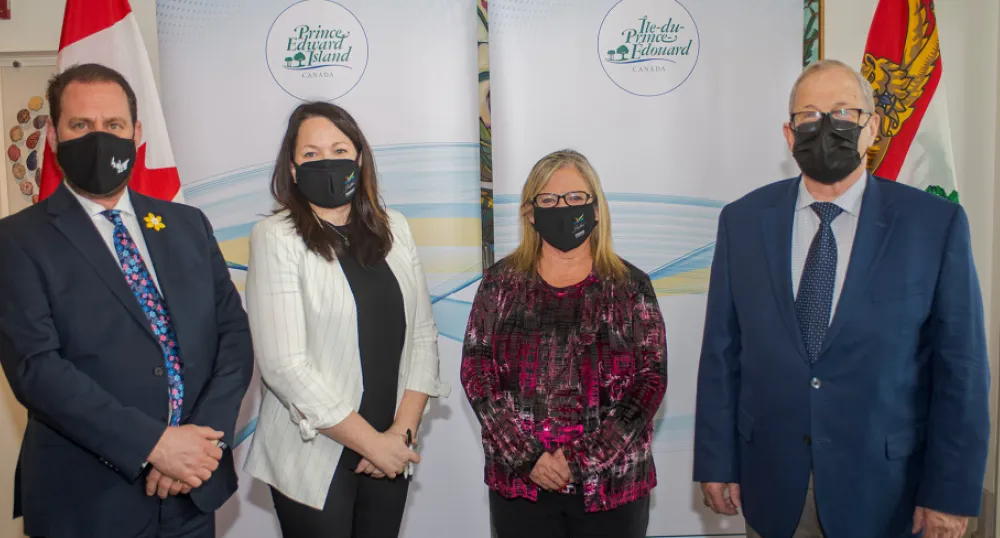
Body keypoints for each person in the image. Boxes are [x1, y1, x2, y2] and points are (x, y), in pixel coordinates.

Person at [693, 59, 990, 538]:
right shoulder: (743, 221)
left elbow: (962, 370)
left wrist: (949, 494)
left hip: (889, 491)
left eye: (843, 114)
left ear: (871, 129)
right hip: (772, 484)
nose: (825, 128)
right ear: (789, 136)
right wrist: (715, 460)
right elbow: (722, 353)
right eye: (809, 116)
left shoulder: (934, 225)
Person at [0, 63, 254, 538]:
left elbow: (234, 338)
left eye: (113, 125)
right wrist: (156, 445)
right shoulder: (17, 240)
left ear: (136, 133)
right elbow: (37, 369)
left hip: (191, 495)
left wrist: (198, 448)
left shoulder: (187, 225)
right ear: (54, 135)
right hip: (87, 504)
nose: (100, 138)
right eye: (81, 125)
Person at [242, 101, 450, 537]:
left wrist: (401, 434)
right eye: (312, 155)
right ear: (294, 169)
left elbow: (423, 337)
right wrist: (371, 442)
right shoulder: (275, 237)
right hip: (314, 450)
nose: (328, 162)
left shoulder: (397, 228)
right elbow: (284, 366)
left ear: (359, 158)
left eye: (339, 149)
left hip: (392, 446)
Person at [461, 149, 667, 538]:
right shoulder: (500, 284)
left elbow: (650, 381)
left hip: (611, 489)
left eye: (575, 198)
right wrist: (528, 457)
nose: (563, 208)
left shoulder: (630, 287)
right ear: (530, 212)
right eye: (549, 199)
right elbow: (476, 372)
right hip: (522, 487)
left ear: (595, 207)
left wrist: (581, 459)